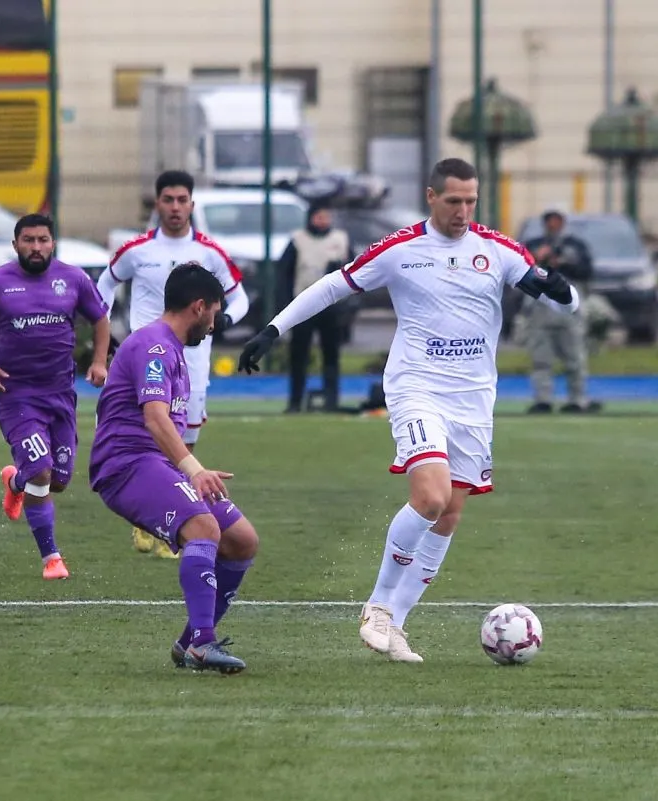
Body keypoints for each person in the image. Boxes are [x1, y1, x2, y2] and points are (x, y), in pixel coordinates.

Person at [238, 158, 580, 663]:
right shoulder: (400, 250)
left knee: (450, 515)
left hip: (473, 399)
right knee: (430, 496)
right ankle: (377, 607)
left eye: (470, 200)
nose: (463, 211)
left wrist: (562, 291)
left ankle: (396, 624)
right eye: (453, 201)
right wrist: (273, 329)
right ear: (431, 197)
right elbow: (335, 284)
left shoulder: (499, 251)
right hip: (416, 387)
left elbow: (565, 302)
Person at [89, 262, 259, 673]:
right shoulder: (155, 347)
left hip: (155, 464)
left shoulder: (174, 350)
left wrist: (185, 469)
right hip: (126, 465)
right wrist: (193, 469)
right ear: (199, 307)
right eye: (215, 314)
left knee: (241, 540)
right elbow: (155, 418)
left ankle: (188, 643)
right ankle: (204, 643)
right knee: (205, 528)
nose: (215, 325)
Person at [96, 170, 250, 559]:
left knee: (184, 432)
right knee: (148, 423)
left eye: (183, 200)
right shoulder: (137, 250)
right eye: (169, 199)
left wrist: (226, 321)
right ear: (158, 204)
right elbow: (104, 285)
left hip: (193, 361)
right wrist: (106, 339)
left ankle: (175, 507)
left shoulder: (210, 252)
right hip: (147, 356)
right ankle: (149, 509)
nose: (176, 207)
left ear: (192, 205)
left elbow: (240, 297)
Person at [0, 213, 111, 580]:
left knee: (57, 479)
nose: (36, 247)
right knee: (41, 471)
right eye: (28, 240)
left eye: (43, 240)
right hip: (16, 395)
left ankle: (14, 482)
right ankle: (51, 559)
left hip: (60, 394)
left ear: (52, 243)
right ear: (16, 245)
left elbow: (100, 318)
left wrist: (99, 361)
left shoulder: (74, 279)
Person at [275, 201, 354, 412]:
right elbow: (284, 273)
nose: (323, 221)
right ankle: (295, 401)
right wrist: (285, 304)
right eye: (319, 216)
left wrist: (349, 305)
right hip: (304, 305)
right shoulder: (297, 240)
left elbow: (355, 271)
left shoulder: (341, 239)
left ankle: (331, 401)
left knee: (332, 355)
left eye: (326, 216)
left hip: (332, 307)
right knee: (299, 355)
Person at [522, 205, 601, 414]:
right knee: (541, 359)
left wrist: (562, 262)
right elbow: (518, 270)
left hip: (569, 309)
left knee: (575, 358)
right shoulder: (533, 245)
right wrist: (537, 259)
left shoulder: (575, 245)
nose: (553, 224)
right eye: (549, 219)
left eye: (557, 219)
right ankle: (543, 399)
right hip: (540, 309)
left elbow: (587, 271)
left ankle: (577, 399)